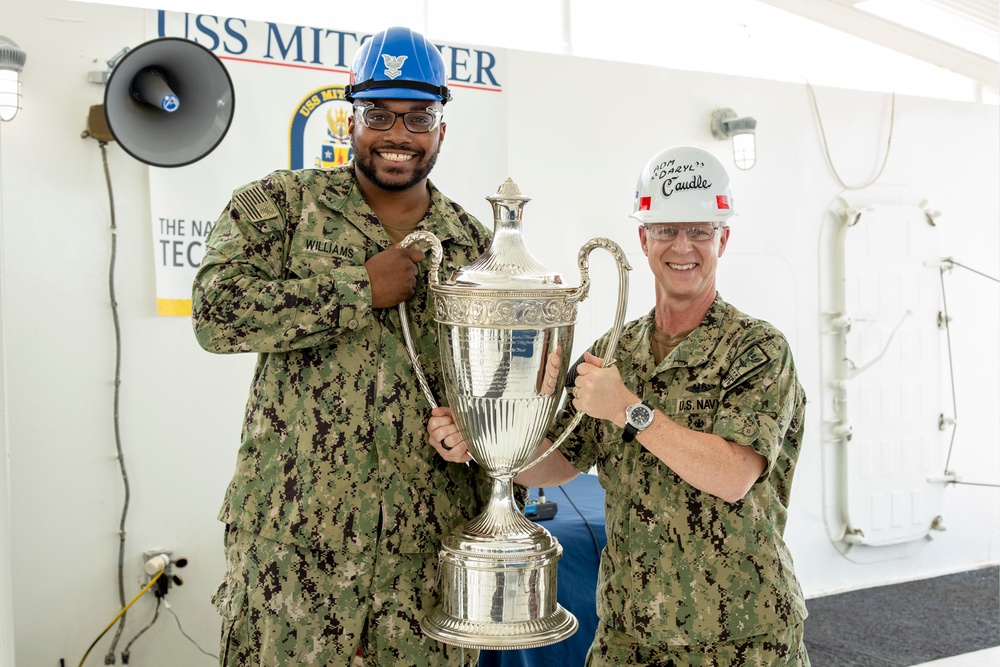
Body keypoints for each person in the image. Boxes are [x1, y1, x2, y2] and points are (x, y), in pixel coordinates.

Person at [428, 146, 810, 666]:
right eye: (666, 230)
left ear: (723, 238)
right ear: (643, 239)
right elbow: (562, 461)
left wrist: (630, 409)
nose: (683, 247)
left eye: (699, 231)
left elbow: (732, 475)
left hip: (736, 640)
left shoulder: (758, 350)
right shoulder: (614, 351)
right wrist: (487, 438)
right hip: (628, 636)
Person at [193, 26, 492, 667]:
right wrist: (358, 289)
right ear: (349, 120)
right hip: (294, 545)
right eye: (378, 114)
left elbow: (493, 384)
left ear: (441, 129)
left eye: (418, 118)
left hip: (425, 552)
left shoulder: (473, 242)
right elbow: (214, 314)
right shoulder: (281, 204)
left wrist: (478, 433)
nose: (397, 135)